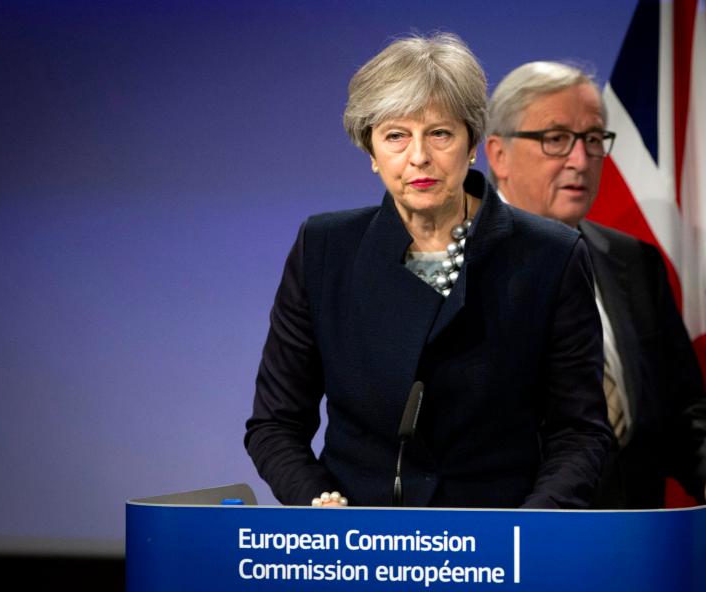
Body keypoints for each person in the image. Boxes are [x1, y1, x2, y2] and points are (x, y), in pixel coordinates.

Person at [245, 37, 613, 509]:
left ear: (472, 142)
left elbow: (579, 431)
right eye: (396, 136)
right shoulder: (324, 249)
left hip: (500, 550)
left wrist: (530, 529)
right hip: (361, 545)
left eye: (439, 133)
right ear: (372, 151)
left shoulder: (550, 255)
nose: (418, 156)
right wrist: (320, 503)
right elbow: (274, 425)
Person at [485, 61, 706, 508]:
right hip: (520, 545)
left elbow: (684, 407)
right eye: (556, 139)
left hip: (632, 550)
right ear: (498, 154)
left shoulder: (633, 262)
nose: (580, 160)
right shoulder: (464, 265)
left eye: (592, 139)